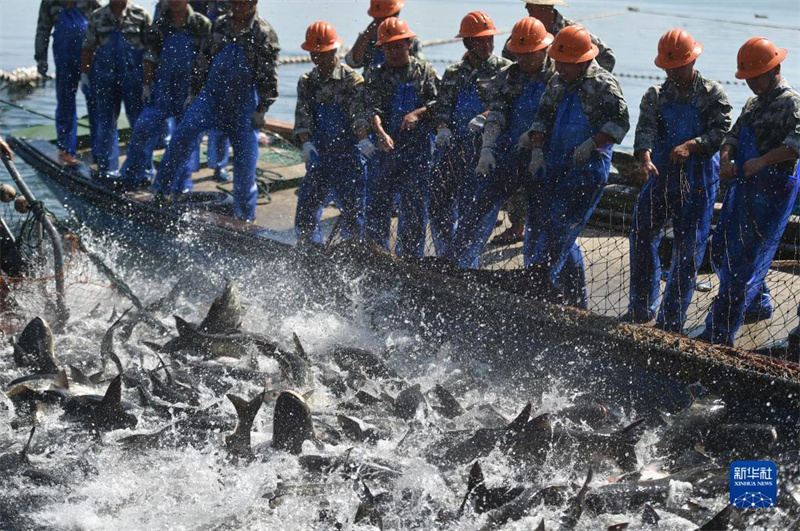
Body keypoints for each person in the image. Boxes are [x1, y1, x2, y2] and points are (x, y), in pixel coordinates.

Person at [624, 29, 732, 332]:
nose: (673, 73)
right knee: (642, 235)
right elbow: (644, 130)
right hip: (659, 176)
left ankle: (671, 320)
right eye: (668, 68)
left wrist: (692, 145)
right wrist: (643, 156)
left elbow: (720, 133)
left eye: (679, 67)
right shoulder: (655, 95)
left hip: (698, 181)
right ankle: (641, 307)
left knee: (688, 250)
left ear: (692, 60)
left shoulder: (713, 94)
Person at [700, 37, 800, 347]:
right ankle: (758, 303)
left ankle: (719, 333)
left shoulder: (791, 103)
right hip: (744, 188)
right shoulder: (754, 102)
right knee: (722, 250)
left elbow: (796, 145)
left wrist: (763, 161)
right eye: (748, 79)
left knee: (746, 266)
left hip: (773, 192)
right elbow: (734, 133)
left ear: (775, 70)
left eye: (757, 77)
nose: (752, 84)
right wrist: (727, 157)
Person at [524, 25, 629, 308]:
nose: (559, 67)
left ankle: (540, 286)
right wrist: (536, 149)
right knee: (551, 229)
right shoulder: (557, 82)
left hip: (588, 169)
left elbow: (620, 123)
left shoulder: (604, 85)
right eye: (557, 62)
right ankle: (575, 302)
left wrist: (592, 143)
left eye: (565, 63)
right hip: (554, 164)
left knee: (561, 227)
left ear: (582, 60)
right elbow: (542, 117)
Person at [495, 0, 616, 246]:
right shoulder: (524, 32)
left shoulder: (572, 33)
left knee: (554, 211)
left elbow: (607, 58)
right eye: (527, 6)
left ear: (548, 8)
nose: (528, 10)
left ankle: (542, 248)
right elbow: (509, 65)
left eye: (533, 6)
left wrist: (582, 81)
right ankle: (518, 225)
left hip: (564, 118)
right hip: (531, 112)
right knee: (524, 175)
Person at [152, 0, 279, 221]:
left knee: (245, 163)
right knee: (182, 135)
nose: (237, 8)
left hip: (243, 106)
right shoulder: (220, 24)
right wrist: (194, 93)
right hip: (211, 98)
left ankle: (245, 217)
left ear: (254, 3)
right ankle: (161, 192)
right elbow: (203, 60)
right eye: (234, 3)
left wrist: (261, 110)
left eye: (242, 4)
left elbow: (269, 77)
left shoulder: (264, 33)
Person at [448, 17, 554, 269]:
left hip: (546, 159)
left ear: (544, 49)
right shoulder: (507, 76)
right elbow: (496, 112)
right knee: (479, 207)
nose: (525, 60)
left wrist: (538, 146)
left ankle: (540, 278)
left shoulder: (558, 78)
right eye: (521, 55)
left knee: (542, 223)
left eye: (531, 54)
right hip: (510, 154)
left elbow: (557, 119)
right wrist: (487, 149)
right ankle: (459, 267)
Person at [428, 11, 511, 260]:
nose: (487, 45)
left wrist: (485, 117)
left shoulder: (505, 71)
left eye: (489, 39)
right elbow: (442, 105)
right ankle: (445, 256)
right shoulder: (454, 72)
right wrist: (442, 127)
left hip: (484, 152)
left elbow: (506, 104)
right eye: (480, 40)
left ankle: (466, 264)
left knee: (473, 210)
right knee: (439, 203)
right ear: (467, 43)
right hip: (453, 149)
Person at [359, 18, 438, 258]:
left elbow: (439, 104)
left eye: (397, 45)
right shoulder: (376, 73)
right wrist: (380, 133)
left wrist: (418, 113)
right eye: (387, 47)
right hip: (386, 151)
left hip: (417, 152)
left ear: (408, 44)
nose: (392, 51)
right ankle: (376, 254)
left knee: (414, 208)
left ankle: (410, 259)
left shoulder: (424, 70)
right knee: (376, 205)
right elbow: (371, 108)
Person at [119, 0, 211, 190]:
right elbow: (150, 56)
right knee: (143, 128)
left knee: (185, 139)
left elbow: (208, 59)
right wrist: (146, 85)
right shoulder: (159, 25)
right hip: (163, 90)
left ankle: (180, 185)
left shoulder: (201, 24)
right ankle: (133, 176)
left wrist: (201, 93)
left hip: (189, 93)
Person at [293, 21, 366, 245]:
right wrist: (306, 143)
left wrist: (363, 140)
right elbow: (303, 116)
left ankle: (351, 253)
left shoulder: (352, 80)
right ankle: (309, 250)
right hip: (320, 155)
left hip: (349, 156)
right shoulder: (307, 82)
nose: (319, 59)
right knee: (306, 208)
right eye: (315, 54)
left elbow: (359, 116)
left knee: (354, 212)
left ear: (334, 50)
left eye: (323, 54)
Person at [80, 0, 152, 178]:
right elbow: (87, 47)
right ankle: (108, 169)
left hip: (134, 80)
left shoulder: (141, 15)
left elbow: (151, 50)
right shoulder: (97, 16)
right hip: (105, 80)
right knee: (106, 124)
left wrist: (148, 83)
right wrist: (85, 75)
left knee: (139, 124)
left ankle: (142, 170)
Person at [35, 0, 102, 166]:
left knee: (96, 103)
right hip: (63, 56)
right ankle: (66, 151)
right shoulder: (49, 2)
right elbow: (43, 29)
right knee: (65, 102)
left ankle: (101, 152)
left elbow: (105, 20)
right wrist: (41, 57)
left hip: (90, 55)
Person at [346, 0, 423, 77]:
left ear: (395, 14)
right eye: (377, 18)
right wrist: (365, 38)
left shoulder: (407, 38)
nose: (380, 22)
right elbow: (351, 62)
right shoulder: (368, 36)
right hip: (374, 83)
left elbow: (420, 67)